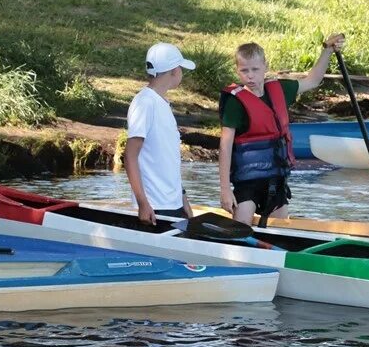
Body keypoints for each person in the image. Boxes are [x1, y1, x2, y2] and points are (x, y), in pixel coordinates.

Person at [219, 34, 346, 225]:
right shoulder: (235, 103)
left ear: (265, 67)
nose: (250, 75)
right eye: (244, 70)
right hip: (248, 182)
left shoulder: (280, 89)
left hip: (277, 181)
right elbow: (225, 146)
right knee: (240, 228)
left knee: (281, 231)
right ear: (237, 71)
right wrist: (225, 190)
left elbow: (312, 81)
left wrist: (327, 51)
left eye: (255, 69)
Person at [125, 42, 196, 225]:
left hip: (173, 203)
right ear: (174, 71)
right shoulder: (145, 103)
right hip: (155, 206)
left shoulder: (162, 103)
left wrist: (183, 199)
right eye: (180, 68)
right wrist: (143, 203)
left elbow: (168, 159)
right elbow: (130, 156)